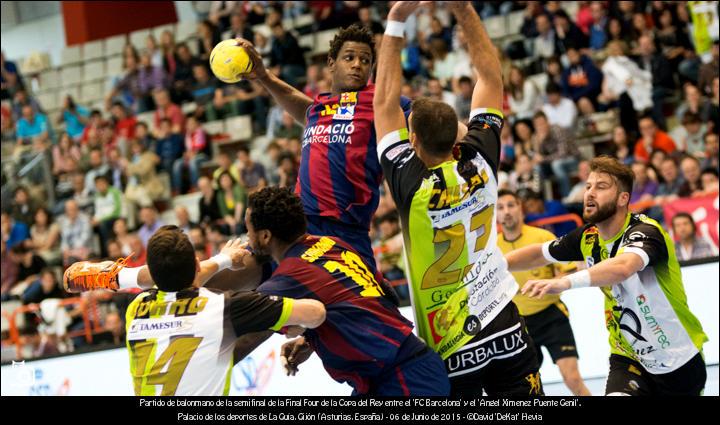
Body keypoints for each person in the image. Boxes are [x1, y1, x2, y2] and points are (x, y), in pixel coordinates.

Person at [373, 1, 542, 396]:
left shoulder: (408, 181)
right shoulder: (481, 157)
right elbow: (490, 76)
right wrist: (463, 8)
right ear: (458, 136)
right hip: (505, 325)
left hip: (450, 344)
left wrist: (396, 22)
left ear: (412, 141)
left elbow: (383, 101)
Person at [506, 156, 708, 396]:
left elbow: (622, 268)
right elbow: (539, 254)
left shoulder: (646, 231)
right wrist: (493, 265)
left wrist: (565, 282)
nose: (590, 193)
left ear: (623, 198)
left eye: (601, 187)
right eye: (588, 186)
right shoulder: (587, 237)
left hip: (679, 359)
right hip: (628, 357)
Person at [63, 226, 326, 396]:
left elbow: (174, 279)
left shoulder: (135, 309)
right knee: (236, 331)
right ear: (196, 265)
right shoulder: (222, 306)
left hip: (175, 338)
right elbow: (316, 313)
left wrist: (220, 260)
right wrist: (273, 316)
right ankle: (118, 276)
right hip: (216, 323)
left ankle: (117, 277)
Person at [235, 22, 412, 273]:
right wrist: (264, 76)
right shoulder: (320, 106)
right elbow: (307, 111)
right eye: (349, 57)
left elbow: (423, 116)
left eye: (365, 60)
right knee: (243, 268)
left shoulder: (378, 100)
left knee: (369, 306)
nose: (357, 65)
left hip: (346, 230)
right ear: (331, 63)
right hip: (299, 224)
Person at [245, 187, 450, 395]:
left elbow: (237, 327)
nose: (246, 237)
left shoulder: (287, 278)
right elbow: (386, 295)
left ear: (265, 236)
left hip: (404, 379)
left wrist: (222, 262)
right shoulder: (331, 243)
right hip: (401, 371)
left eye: (248, 229)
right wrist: (313, 338)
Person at [496, 190, 590, 396]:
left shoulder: (542, 237)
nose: (506, 212)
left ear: (521, 208)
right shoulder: (493, 248)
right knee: (531, 387)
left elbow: (568, 272)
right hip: (518, 325)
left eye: (511, 205)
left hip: (551, 316)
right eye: (500, 207)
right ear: (495, 214)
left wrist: (547, 283)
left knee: (573, 379)